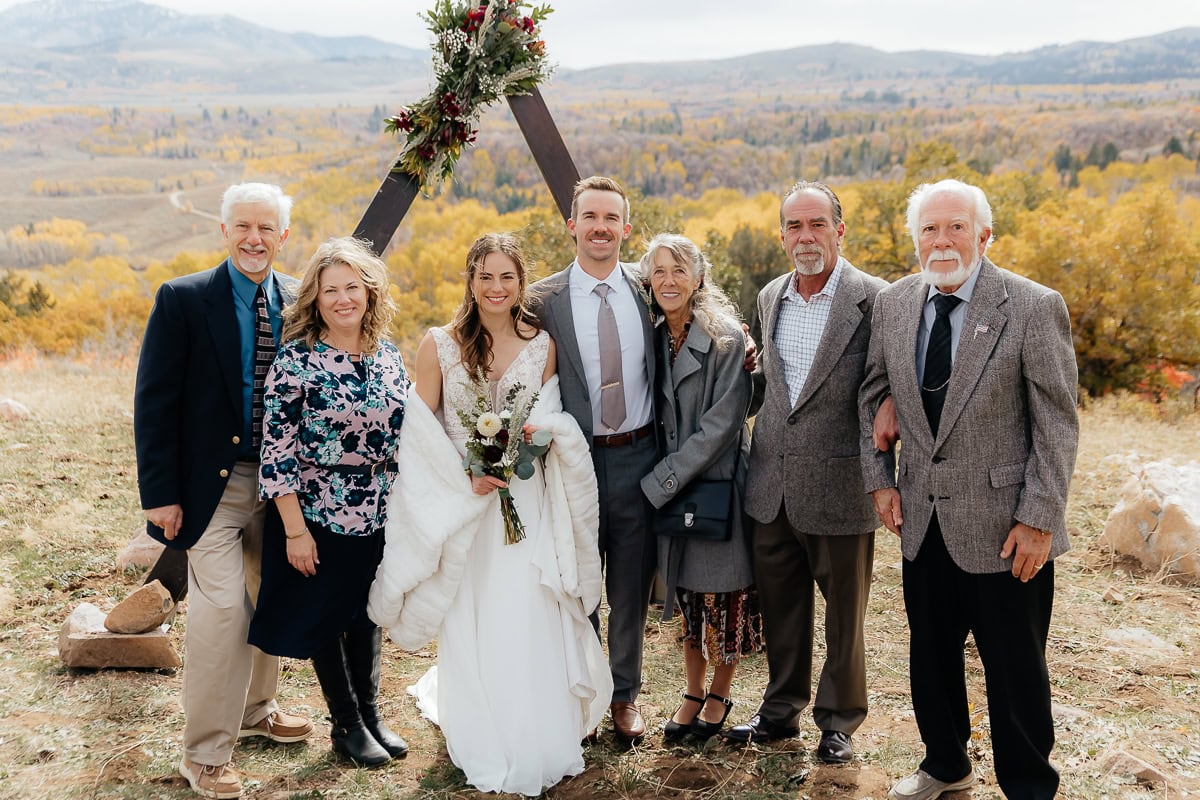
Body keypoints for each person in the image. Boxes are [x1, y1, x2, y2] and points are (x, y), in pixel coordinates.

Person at [368, 233, 610, 795]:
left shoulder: (542, 344)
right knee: (473, 610)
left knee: (528, 607)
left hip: (525, 501)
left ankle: (536, 724)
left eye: (507, 277)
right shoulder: (439, 344)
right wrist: (465, 473)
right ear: (470, 282)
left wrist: (538, 438)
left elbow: (553, 419)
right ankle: (480, 722)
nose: (496, 288)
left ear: (521, 283)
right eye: (485, 277)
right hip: (468, 503)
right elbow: (420, 434)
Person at [859, 179, 1079, 800]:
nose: (942, 240)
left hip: (1006, 525)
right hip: (920, 518)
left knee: (1015, 672)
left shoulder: (1033, 306)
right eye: (930, 229)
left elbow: (1057, 421)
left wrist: (1039, 516)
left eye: (956, 227)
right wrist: (880, 482)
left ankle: (1029, 784)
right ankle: (946, 765)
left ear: (985, 235)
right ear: (916, 240)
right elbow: (869, 395)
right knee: (930, 658)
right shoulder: (895, 303)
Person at [133, 182, 312, 800]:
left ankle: (259, 710)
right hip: (213, 486)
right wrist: (159, 494)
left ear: (284, 236)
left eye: (266, 228)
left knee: (272, 597)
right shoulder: (182, 300)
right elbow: (154, 403)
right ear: (224, 230)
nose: (254, 239)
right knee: (221, 610)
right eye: (242, 227)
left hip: (283, 484)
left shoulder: (299, 300)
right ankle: (205, 753)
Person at [723, 182, 888, 766]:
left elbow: (887, 386)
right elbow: (776, 384)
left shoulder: (876, 299)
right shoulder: (772, 296)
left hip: (842, 485)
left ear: (840, 230)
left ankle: (839, 721)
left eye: (817, 224)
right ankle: (780, 711)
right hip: (770, 484)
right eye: (795, 226)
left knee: (846, 616)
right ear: (782, 234)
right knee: (783, 608)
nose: (806, 236)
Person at [248, 237, 410, 767]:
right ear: (315, 299)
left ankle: (371, 712)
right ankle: (345, 724)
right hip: (316, 511)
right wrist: (294, 529)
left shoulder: (388, 354)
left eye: (352, 287)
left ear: (370, 291)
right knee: (325, 614)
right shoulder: (298, 359)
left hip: (379, 509)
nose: (343, 299)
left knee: (365, 612)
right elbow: (277, 449)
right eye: (329, 290)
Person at [528, 176, 659, 741]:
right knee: (579, 581)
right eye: (591, 217)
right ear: (572, 225)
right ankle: (583, 693)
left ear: (626, 228)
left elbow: (703, 322)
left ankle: (624, 694)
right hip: (573, 462)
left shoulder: (652, 287)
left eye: (612, 218)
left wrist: (743, 344)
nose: (601, 227)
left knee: (629, 583)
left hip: (640, 455)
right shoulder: (542, 300)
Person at [637, 234, 763, 742]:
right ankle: (693, 692)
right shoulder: (649, 334)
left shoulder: (727, 338)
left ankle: (720, 694)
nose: (669, 280)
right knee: (688, 596)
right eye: (659, 271)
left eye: (679, 270)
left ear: (699, 277)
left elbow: (722, 425)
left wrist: (663, 479)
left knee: (724, 599)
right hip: (674, 490)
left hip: (714, 486)